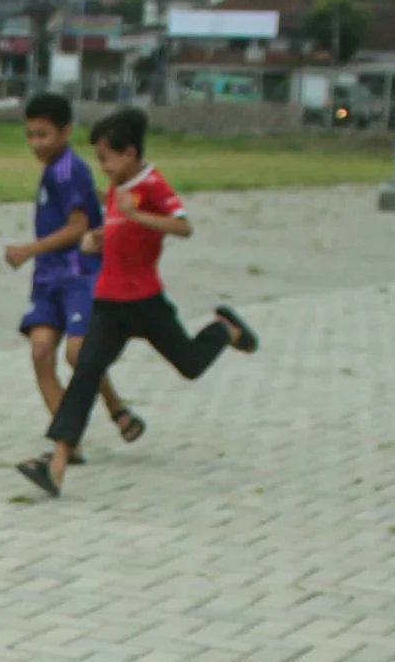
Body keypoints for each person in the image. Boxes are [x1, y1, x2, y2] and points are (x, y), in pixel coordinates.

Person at [17, 107, 258, 499]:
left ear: (129, 154)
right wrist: (98, 237)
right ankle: (56, 464)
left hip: (145, 303)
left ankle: (224, 329)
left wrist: (139, 214)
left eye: (107, 159)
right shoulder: (118, 185)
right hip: (109, 302)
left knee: (191, 365)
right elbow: (118, 229)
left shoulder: (152, 186)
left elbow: (183, 227)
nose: (104, 167)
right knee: (85, 373)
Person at [5, 91, 138, 455]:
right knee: (41, 351)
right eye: (30, 134)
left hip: (78, 274)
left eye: (43, 135)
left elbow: (77, 227)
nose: (35, 143)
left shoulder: (69, 169)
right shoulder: (58, 171)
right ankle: (69, 438)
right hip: (48, 278)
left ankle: (117, 409)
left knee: (79, 354)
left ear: (65, 132)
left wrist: (26, 250)